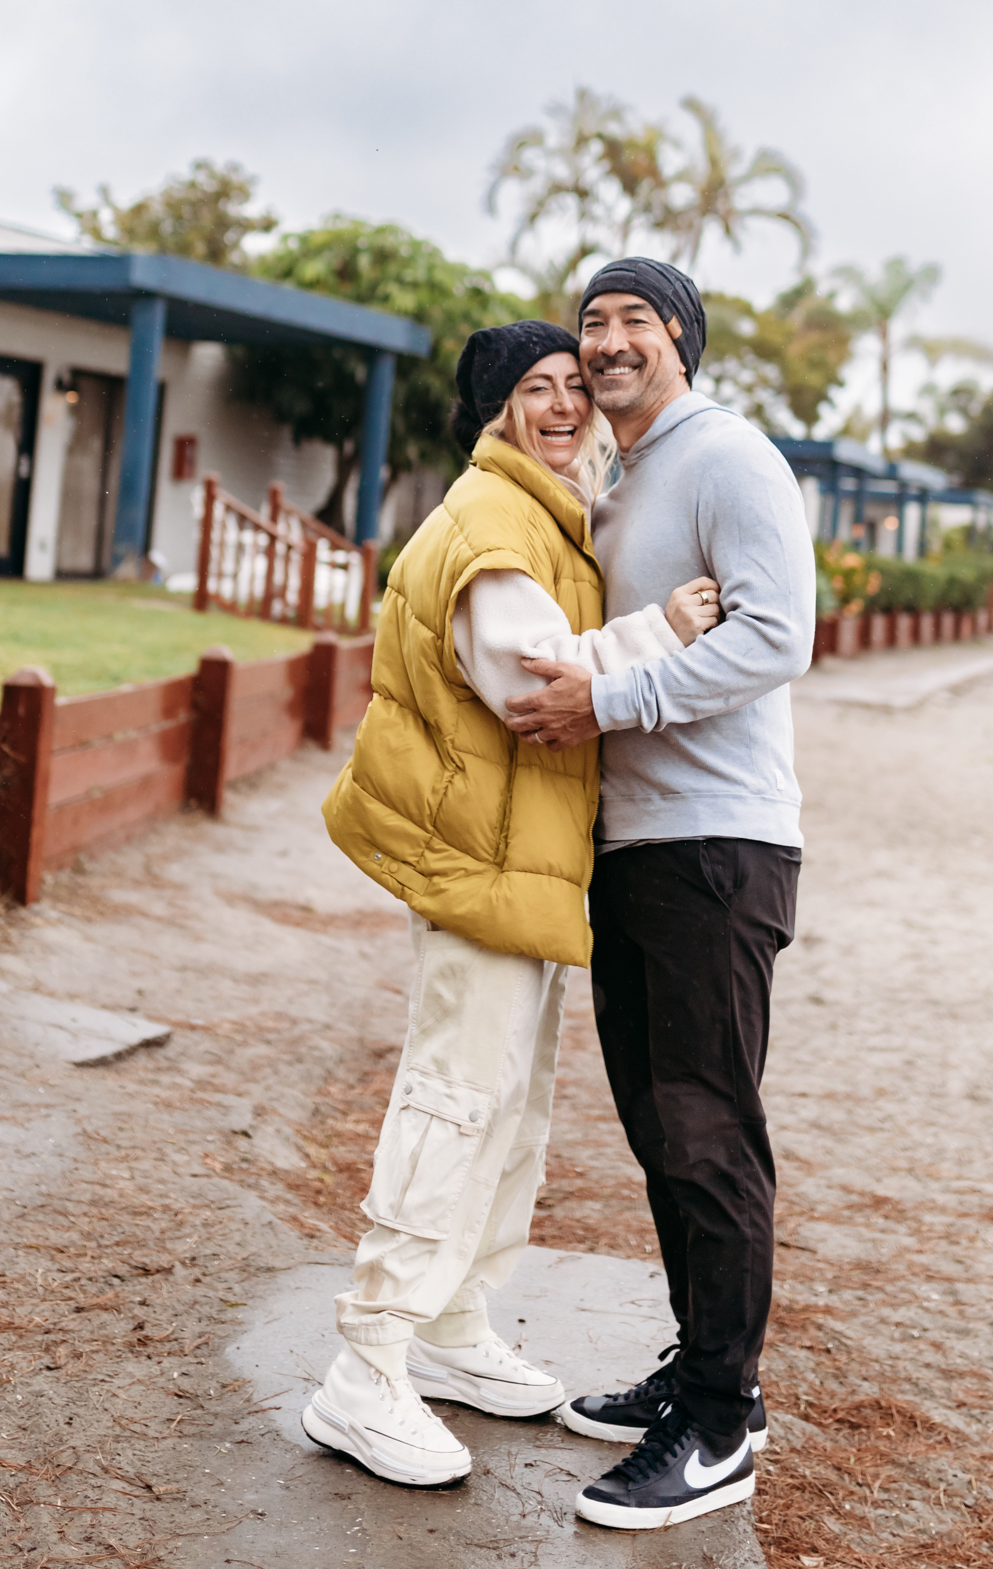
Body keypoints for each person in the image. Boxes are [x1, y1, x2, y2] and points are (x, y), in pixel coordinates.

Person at [303, 318, 722, 1490]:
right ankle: (366, 1361)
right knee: (450, 1101)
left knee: (509, 1110)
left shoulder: (541, 515)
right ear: (491, 412)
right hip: (477, 868)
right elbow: (537, 686)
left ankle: (448, 1325)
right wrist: (666, 629)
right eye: (532, 389)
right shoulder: (491, 528)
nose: (561, 404)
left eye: (569, 387)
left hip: (520, 866)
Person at [506, 257, 816, 1535]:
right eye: (596, 322)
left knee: (706, 1130)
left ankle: (721, 1422)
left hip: (716, 848)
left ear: (681, 340)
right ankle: (694, 1372)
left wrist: (609, 695)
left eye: (638, 319)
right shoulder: (627, 481)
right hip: (636, 846)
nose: (612, 339)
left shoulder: (727, 455)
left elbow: (776, 632)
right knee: (655, 1125)